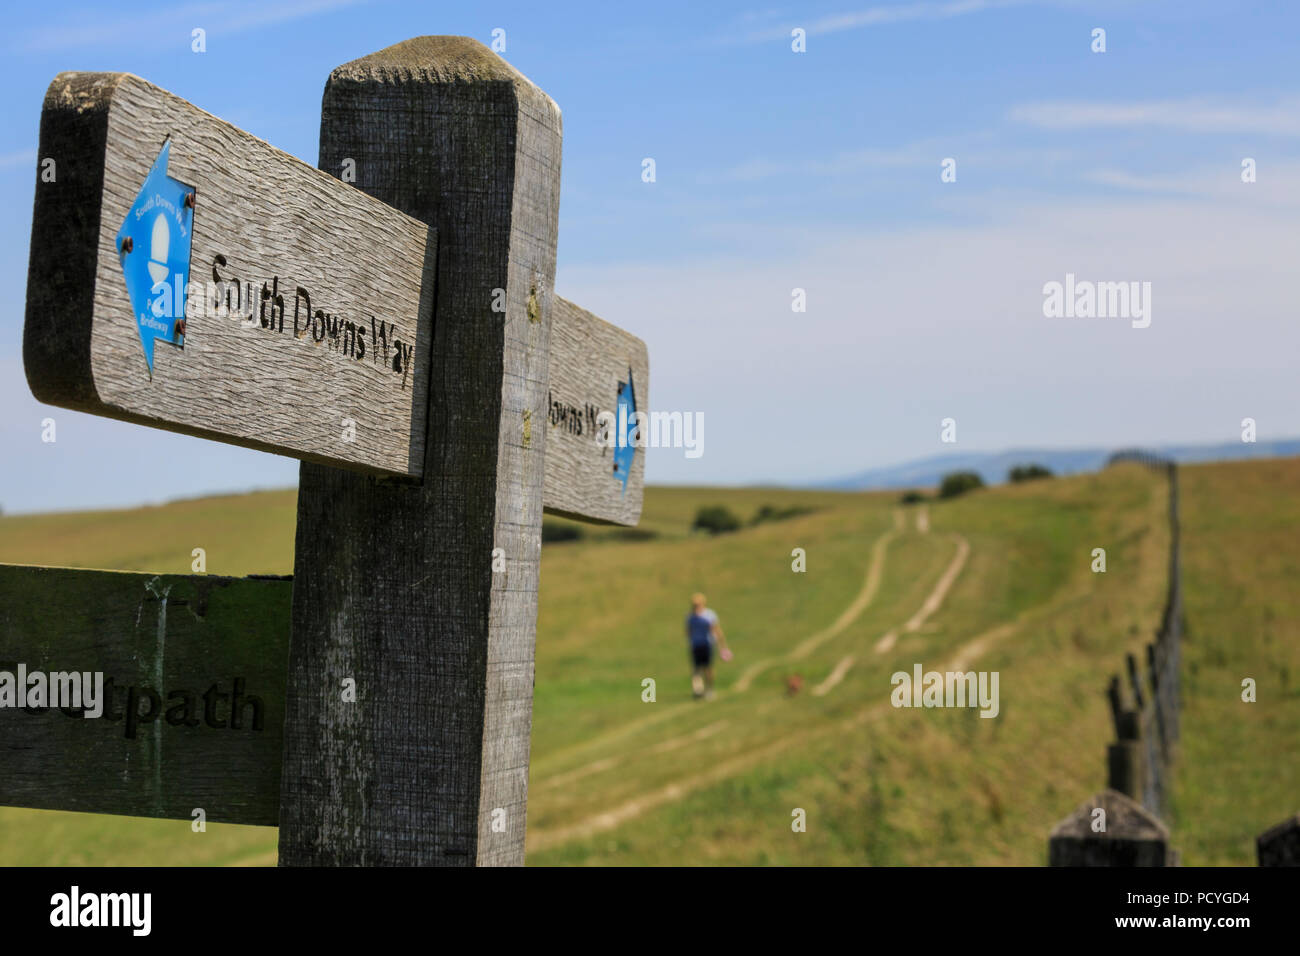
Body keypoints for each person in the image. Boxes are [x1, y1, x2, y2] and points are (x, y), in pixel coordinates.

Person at [685, 593, 730, 699]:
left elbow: (717, 630)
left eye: (698, 604)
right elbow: (688, 631)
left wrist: (722, 646)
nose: (696, 606)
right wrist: (690, 642)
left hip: (707, 644)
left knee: (708, 668)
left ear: (703, 604)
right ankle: (698, 690)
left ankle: (710, 689)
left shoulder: (709, 615)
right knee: (696, 669)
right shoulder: (690, 617)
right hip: (696, 645)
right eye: (694, 604)